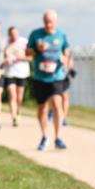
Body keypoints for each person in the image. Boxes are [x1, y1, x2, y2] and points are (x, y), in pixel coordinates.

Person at [26, 9, 70, 150]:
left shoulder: (61, 35)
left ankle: (58, 137)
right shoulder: (36, 34)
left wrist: (65, 59)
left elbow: (67, 51)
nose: (48, 24)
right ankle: (45, 136)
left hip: (56, 76)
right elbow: (27, 52)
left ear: (55, 22)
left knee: (57, 104)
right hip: (40, 77)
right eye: (45, 21)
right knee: (42, 108)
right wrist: (37, 50)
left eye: (50, 22)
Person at [4, 26, 30, 127]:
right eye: (12, 34)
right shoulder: (5, 43)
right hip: (10, 72)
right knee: (12, 95)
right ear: (9, 35)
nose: (14, 36)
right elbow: (2, 56)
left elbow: (31, 57)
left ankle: (17, 110)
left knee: (19, 97)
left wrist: (21, 57)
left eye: (16, 33)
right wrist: (5, 59)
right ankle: (14, 117)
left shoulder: (24, 42)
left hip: (22, 72)